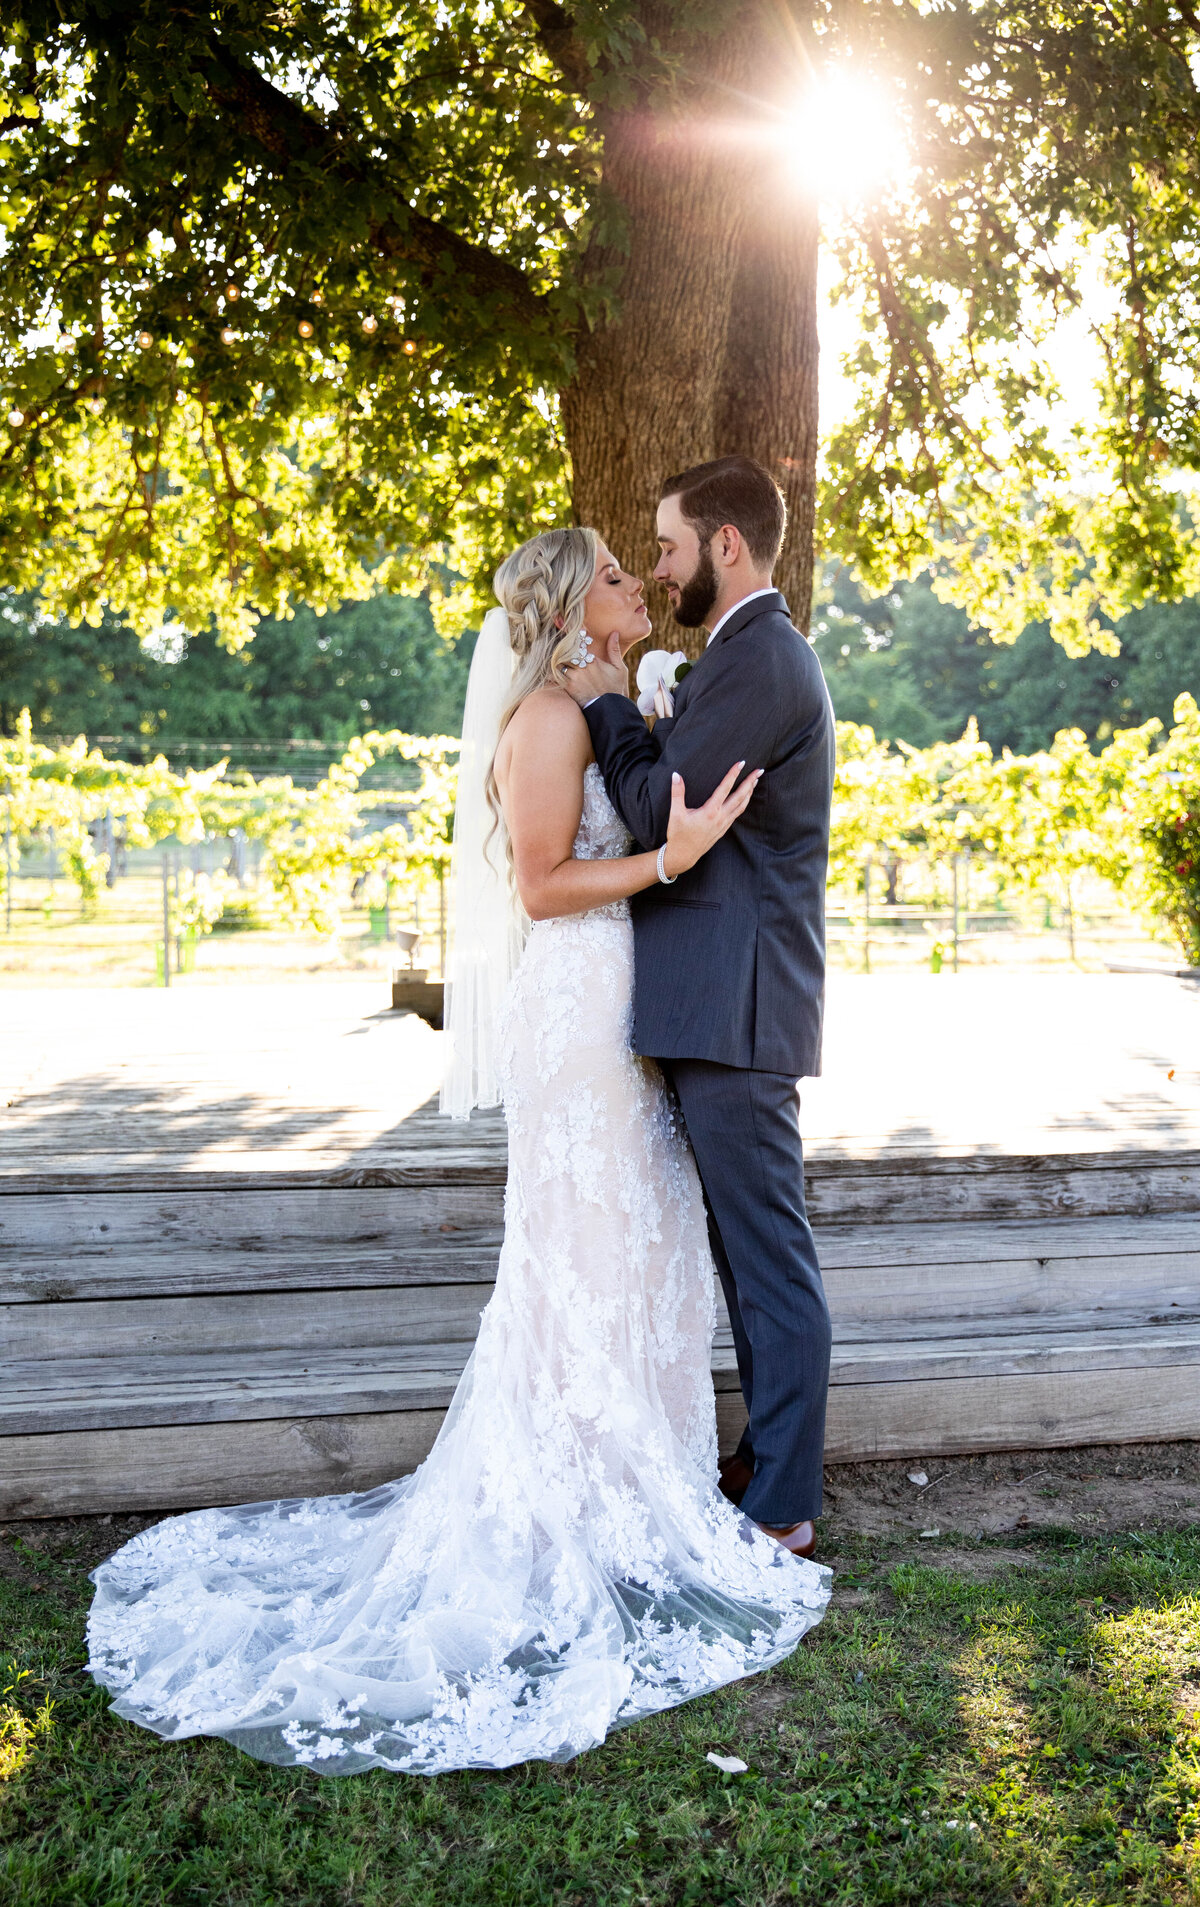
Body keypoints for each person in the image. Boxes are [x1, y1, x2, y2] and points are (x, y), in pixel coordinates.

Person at [86, 522, 829, 1778]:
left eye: (637, 564)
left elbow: (643, 788)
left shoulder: (606, 704)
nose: (636, 582)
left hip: (630, 1010)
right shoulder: (543, 719)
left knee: (637, 1247)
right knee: (582, 1251)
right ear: (569, 606)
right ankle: (575, 1493)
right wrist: (670, 853)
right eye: (613, 573)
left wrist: (653, 769)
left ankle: (637, 1476)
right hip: (579, 1012)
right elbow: (540, 885)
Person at [564, 456, 836, 1555]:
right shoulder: (739, 656)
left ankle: (783, 1503)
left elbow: (652, 811)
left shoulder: (762, 659)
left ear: (727, 542)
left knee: (767, 1256)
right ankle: (765, 1458)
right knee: (741, 1251)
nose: (662, 566)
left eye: (671, 546)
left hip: (741, 1002)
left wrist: (607, 701)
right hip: (719, 1001)